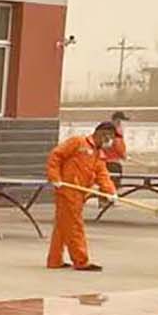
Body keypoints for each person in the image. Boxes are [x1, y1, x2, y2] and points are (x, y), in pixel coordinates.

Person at [46, 121, 119, 272]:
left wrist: (111, 192)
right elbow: (56, 156)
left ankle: (55, 260)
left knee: (62, 226)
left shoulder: (98, 155)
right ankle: (81, 261)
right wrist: (55, 177)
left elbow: (102, 174)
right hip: (67, 191)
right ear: (102, 133)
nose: (111, 141)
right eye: (110, 137)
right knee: (74, 226)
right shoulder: (78, 142)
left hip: (79, 193)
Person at [101, 110, 129, 179]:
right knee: (113, 186)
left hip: (105, 163)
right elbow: (117, 144)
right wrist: (123, 155)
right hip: (113, 164)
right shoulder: (115, 132)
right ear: (118, 120)